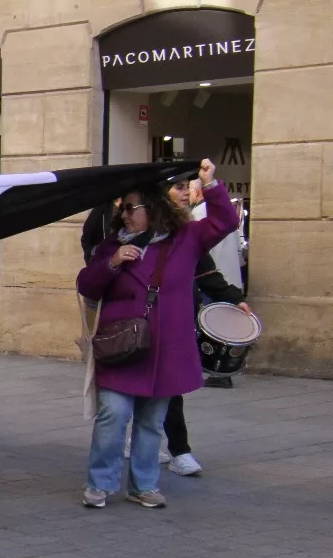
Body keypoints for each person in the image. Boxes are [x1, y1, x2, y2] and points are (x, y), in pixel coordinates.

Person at [77, 158, 239, 509]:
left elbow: (226, 221)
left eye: (132, 207)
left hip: (167, 349)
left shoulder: (186, 239)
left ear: (152, 208)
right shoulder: (112, 246)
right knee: (114, 415)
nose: (125, 214)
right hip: (123, 348)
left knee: (151, 422)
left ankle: (143, 485)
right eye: (124, 207)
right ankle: (100, 483)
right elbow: (86, 285)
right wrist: (112, 262)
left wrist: (210, 185)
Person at [159, 177, 251, 476]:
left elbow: (206, 270)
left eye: (188, 186)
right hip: (140, 323)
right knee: (134, 390)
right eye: (178, 188)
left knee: (170, 387)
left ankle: (179, 450)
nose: (186, 193)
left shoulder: (187, 233)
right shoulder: (135, 232)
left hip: (175, 323)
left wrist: (234, 298)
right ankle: (140, 440)